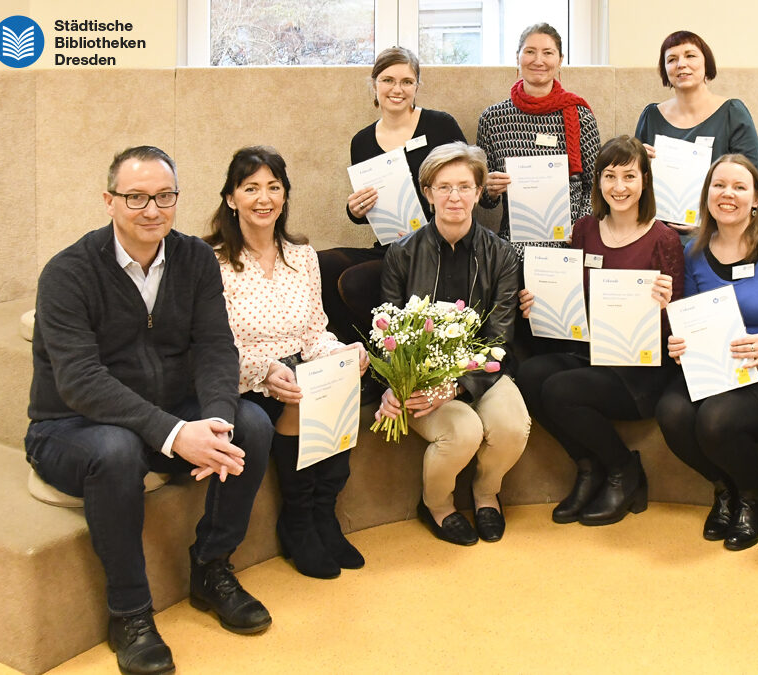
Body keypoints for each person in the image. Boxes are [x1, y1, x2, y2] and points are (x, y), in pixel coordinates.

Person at [25, 146, 272, 675]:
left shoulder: (194, 258)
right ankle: (130, 613)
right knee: (114, 451)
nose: (152, 209)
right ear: (109, 200)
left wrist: (217, 421)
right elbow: (80, 382)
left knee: (251, 424)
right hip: (71, 425)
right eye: (136, 197)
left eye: (164, 196)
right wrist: (176, 433)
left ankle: (211, 568)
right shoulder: (67, 272)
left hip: (164, 414)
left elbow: (214, 346)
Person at [205, 147, 371, 580]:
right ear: (231, 198)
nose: (264, 198)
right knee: (305, 388)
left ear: (285, 196)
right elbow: (217, 344)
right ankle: (298, 521)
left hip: (301, 370)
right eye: (251, 188)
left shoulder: (301, 255)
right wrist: (268, 369)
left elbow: (315, 331)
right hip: (247, 377)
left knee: (339, 375)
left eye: (274, 188)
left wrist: (345, 354)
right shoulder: (213, 262)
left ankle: (324, 515)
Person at [516, 136, 683, 526]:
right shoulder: (586, 228)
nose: (619, 187)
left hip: (640, 368)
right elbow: (572, 294)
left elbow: (676, 325)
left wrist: (666, 303)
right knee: (529, 374)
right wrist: (538, 300)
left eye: (629, 175)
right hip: (591, 352)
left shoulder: (665, 239)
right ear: (598, 181)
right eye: (610, 176)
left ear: (645, 180)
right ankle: (589, 467)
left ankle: (624, 469)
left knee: (560, 389)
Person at [655, 154, 758, 551]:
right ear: (707, 194)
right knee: (671, 412)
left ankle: (751, 496)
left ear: (757, 198)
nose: (728, 194)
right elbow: (690, 316)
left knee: (716, 418)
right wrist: (680, 342)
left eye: (739, 186)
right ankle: (724, 487)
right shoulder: (693, 252)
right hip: (716, 369)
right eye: (719, 185)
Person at [376, 142, 530, 546]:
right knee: (462, 432)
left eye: (465, 186)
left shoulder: (502, 255)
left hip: (482, 371)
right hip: (422, 380)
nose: (455, 197)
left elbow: (499, 336)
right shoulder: (401, 254)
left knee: (512, 426)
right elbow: (388, 330)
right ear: (427, 193)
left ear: (480, 193)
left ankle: (485, 492)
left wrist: (459, 385)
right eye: (444, 187)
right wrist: (397, 383)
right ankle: (438, 504)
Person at [318, 46, 467, 341]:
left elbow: (470, 182)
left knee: (355, 282)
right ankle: (358, 350)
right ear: (374, 84)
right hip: (391, 245)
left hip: (435, 246)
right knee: (317, 266)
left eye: (406, 82)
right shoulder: (362, 141)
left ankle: (385, 349)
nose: (396, 89)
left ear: (416, 86)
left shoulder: (440, 126)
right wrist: (356, 210)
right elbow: (366, 210)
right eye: (388, 80)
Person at [476, 22, 601, 257]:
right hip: (514, 244)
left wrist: (582, 228)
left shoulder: (579, 115)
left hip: (570, 240)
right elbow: (484, 198)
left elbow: (596, 183)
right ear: (518, 57)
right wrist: (490, 190)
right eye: (530, 51)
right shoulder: (493, 119)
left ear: (560, 59)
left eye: (548, 53)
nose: (538, 60)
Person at [635, 30, 758, 237]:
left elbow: (753, 180)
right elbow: (635, 183)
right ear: (665, 69)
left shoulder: (732, 113)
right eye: (672, 59)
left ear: (707, 64)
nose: (681, 64)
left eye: (690, 56)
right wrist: (636, 161)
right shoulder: (651, 116)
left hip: (718, 234)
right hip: (657, 234)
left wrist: (707, 223)